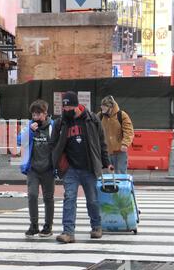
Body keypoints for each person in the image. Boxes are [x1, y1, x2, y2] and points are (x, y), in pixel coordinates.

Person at [50, 92, 113, 243]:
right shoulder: (61, 122)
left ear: (77, 105)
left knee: (92, 199)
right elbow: (53, 143)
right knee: (69, 198)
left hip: (89, 166)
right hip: (70, 167)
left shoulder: (92, 119)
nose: (66, 110)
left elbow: (101, 142)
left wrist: (107, 162)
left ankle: (96, 226)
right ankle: (68, 232)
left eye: (69, 107)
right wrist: (57, 161)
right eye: (64, 107)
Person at [17, 100, 55, 238]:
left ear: (45, 114)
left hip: (48, 169)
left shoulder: (53, 126)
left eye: (38, 114)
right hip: (33, 168)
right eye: (33, 114)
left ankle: (48, 226)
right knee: (32, 195)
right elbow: (19, 140)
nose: (35, 117)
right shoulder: (29, 126)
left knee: (48, 198)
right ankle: (34, 225)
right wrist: (30, 131)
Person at [98, 95, 134, 174]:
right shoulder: (100, 116)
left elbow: (128, 131)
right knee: (106, 176)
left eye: (104, 107)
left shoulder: (121, 115)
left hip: (120, 152)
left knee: (120, 174)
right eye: (102, 106)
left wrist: (125, 144)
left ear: (111, 107)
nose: (102, 108)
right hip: (105, 153)